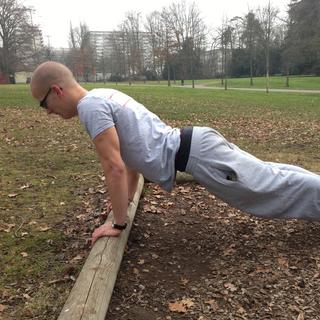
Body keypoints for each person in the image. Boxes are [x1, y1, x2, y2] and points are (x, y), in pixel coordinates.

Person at [30, 61, 320, 245]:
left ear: (56, 90)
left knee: (263, 189)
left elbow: (114, 167)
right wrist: (124, 205)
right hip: (197, 145)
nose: (48, 113)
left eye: (43, 105)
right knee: (268, 175)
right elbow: (130, 162)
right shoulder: (103, 95)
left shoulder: (90, 108)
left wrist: (118, 224)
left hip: (198, 154)